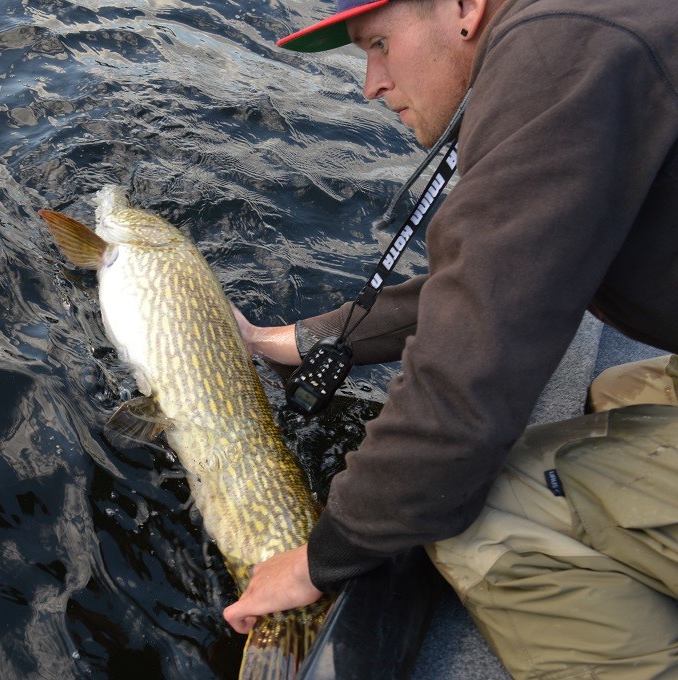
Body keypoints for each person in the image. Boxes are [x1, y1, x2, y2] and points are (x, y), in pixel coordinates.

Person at [221, 0, 678, 677]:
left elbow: (461, 401)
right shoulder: (581, 29)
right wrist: (281, 340)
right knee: (617, 390)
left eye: (378, 43)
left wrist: (323, 555)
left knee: (469, 510)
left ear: (465, 9)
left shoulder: (553, 59)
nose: (369, 82)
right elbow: (497, 282)